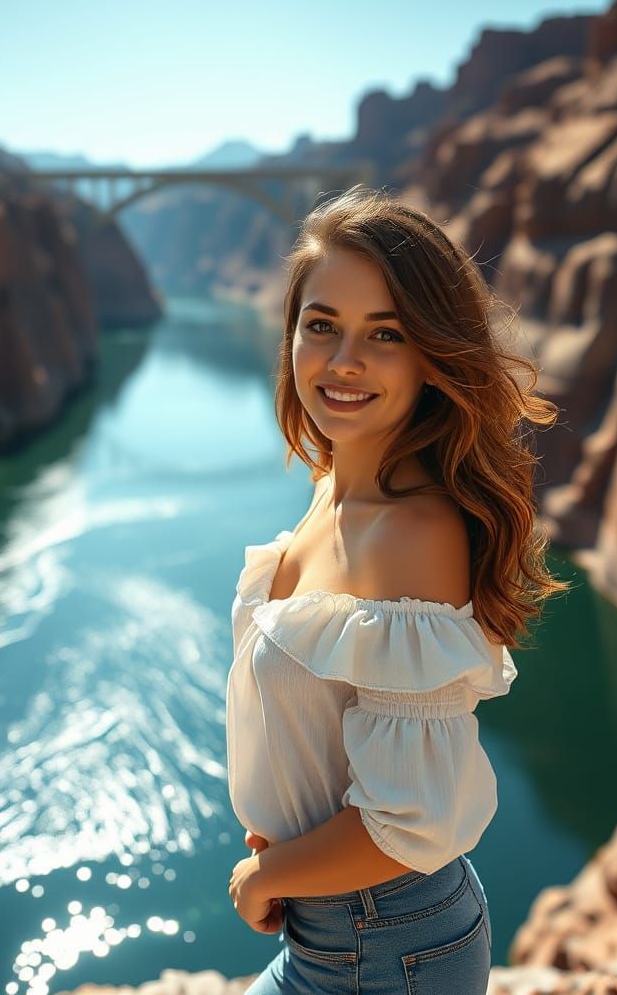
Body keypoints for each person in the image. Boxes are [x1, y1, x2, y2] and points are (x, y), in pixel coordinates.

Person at [225, 185, 569, 994]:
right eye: (322, 326)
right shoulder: (330, 485)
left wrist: (265, 880)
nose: (343, 362)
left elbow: (403, 825)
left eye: (385, 334)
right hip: (341, 929)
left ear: (430, 354)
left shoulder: (413, 534)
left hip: (388, 945)